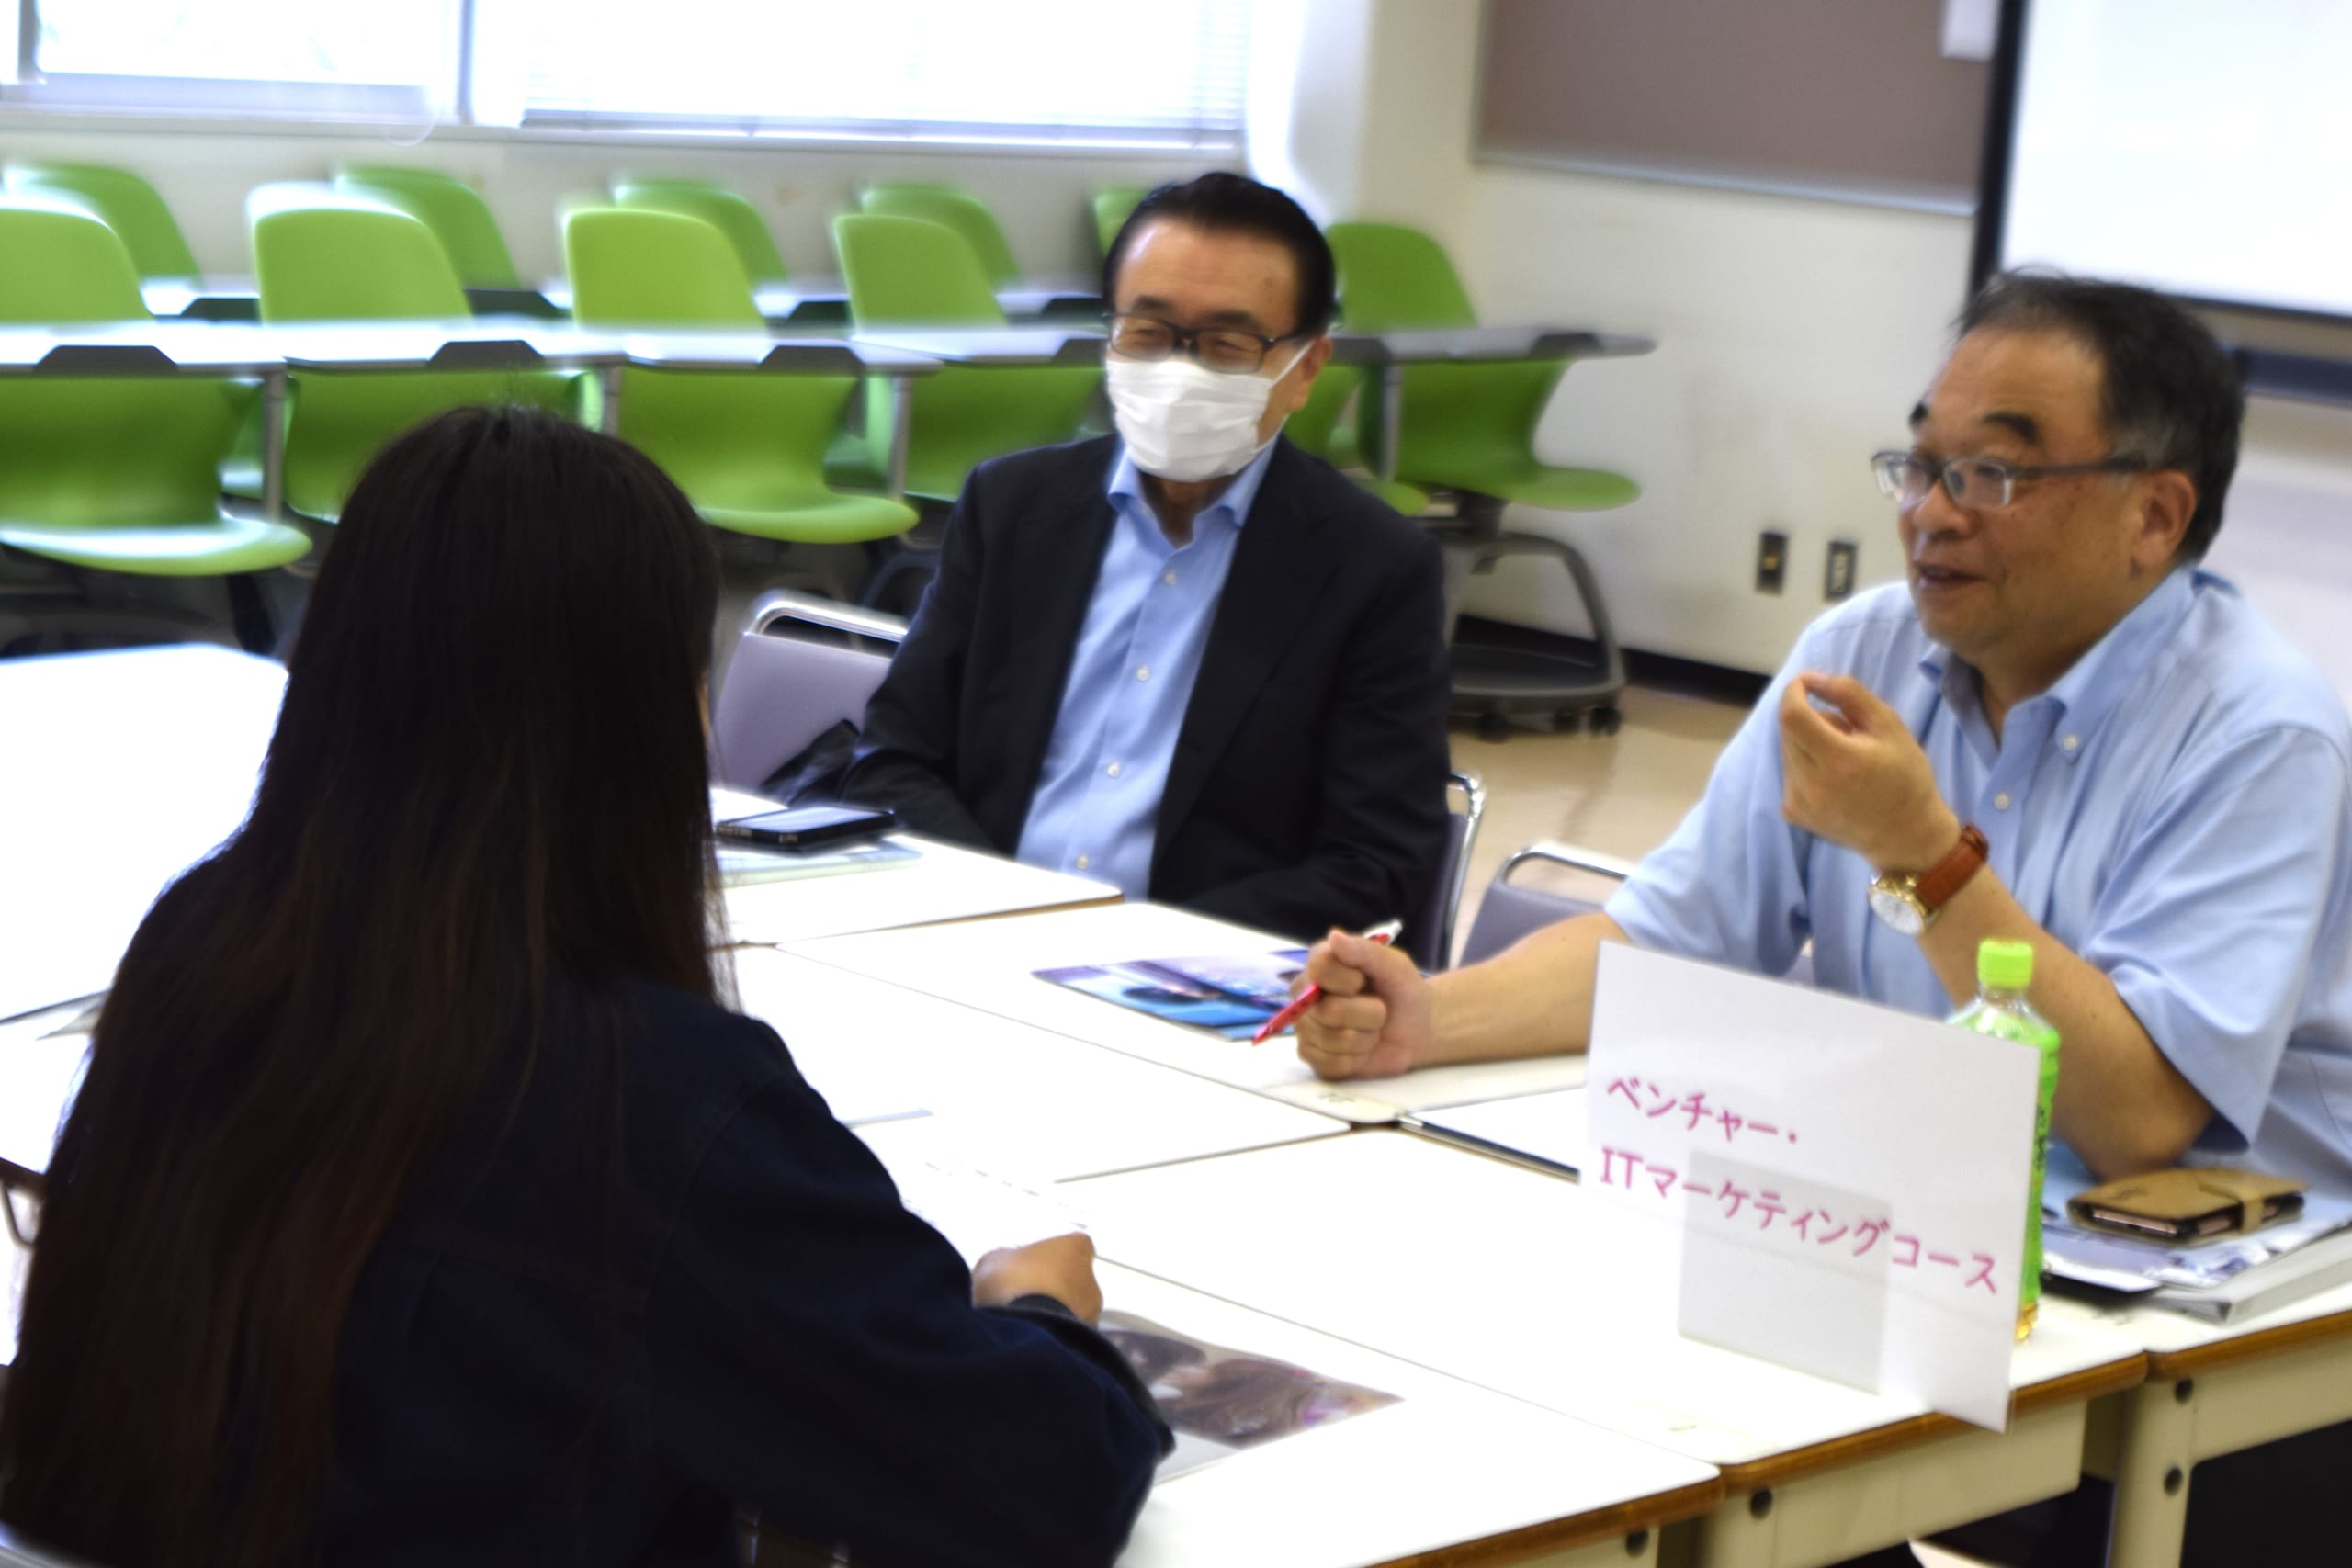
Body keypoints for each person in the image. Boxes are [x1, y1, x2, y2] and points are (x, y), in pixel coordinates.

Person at [0, 407, 1166, 1568]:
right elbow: (1046, 1482)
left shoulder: (205, 939)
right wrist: (1037, 1309)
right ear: (647, 718)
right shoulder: (648, 1094)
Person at [1296, 273, 2352, 1199]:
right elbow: (1670, 938)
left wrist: (1923, 856)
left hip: (2207, 1278)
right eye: (1919, 465)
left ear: (2155, 517)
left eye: (1990, 474)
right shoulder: (1863, 652)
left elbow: (2137, 1123)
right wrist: (1428, 1019)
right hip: (1920, 1209)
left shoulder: (2257, 735)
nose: (1930, 513)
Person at [828, 172, 1453, 953]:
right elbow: (892, 760)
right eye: (1148, 332)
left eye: (1227, 345)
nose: (1179, 371)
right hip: (972, 930)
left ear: (1306, 368)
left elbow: (1377, 864)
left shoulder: (1374, 567)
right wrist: (1005, 914)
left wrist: (1131, 947)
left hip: (1185, 974)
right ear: (1109, 335)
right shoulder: (1013, 507)